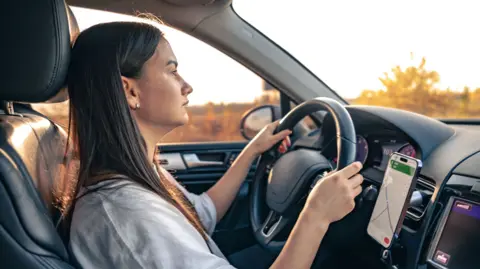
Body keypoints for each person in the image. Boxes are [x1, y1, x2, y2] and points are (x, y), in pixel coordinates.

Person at [65, 21, 364, 269]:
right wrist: (316, 214)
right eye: (171, 70)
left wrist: (252, 151)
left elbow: (201, 215)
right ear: (129, 91)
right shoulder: (126, 213)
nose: (186, 85)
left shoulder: (138, 176)